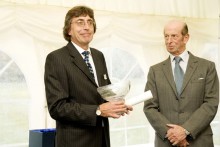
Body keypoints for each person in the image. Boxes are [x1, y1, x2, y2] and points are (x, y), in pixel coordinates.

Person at [44, 5, 133, 147]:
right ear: (68, 30)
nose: (86, 27)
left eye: (90, 22)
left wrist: (117, 103)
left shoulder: (98, 56)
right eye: (80, 22)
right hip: (75, 142)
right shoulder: (56, 58)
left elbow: (103, 92)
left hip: (102, 139)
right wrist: (98, 110)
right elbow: (57, 108)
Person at [143, 20, 219, 147]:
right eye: (166, 36)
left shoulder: (207, 67)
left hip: (199, 141)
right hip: (167, 141)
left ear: (186, 38)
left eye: (174, 36)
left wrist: (185, 130)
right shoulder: (155, 71)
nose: (169, 41)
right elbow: (149, 107)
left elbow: (211, 103)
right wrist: (172, 133)